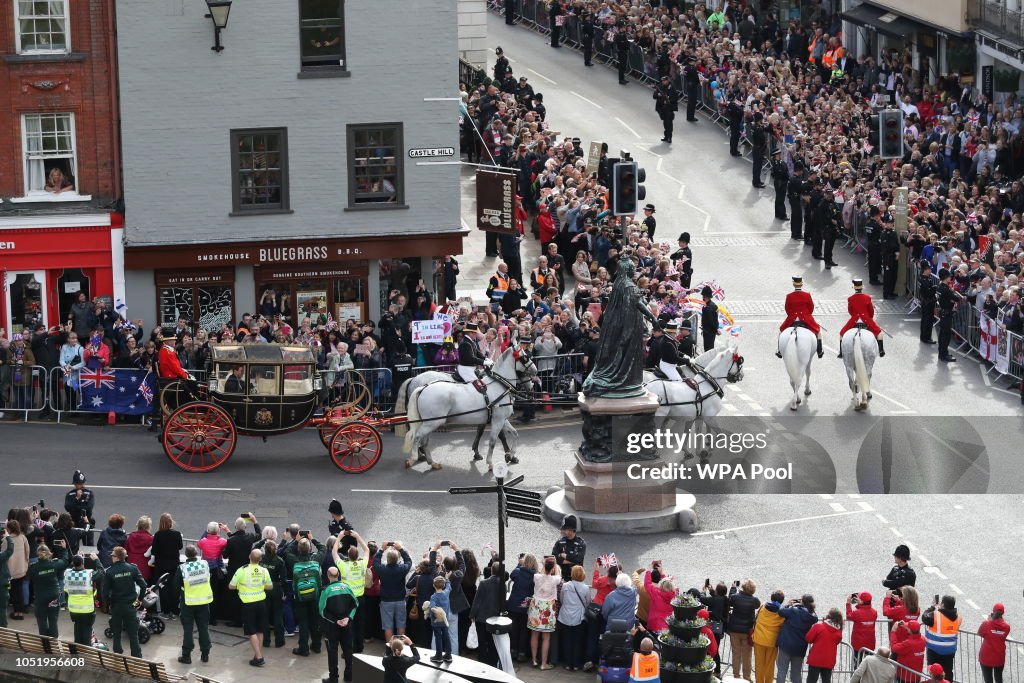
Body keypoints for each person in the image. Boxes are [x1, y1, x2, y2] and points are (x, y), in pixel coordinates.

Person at [229, 548, 273, 667]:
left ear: (249, 556)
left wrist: (240, 586)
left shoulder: (242, 570)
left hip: (248, 603)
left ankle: (258, 657)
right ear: (260, 559)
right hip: (261, 602)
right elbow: (270, 587)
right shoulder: (264, 570)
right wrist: (259, 585)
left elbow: (231, 586)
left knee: (251, 630)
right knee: (259, 630)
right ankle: (258, 654)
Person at [104, 546, 148, 658]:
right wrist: (138, 602)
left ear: (117, 557)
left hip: (117, 606)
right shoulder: (132, 568)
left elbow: (105, 593)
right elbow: (143, 586)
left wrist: (110, 605)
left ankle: (118, 655)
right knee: (133, 633)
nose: (111, 557)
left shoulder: (110, 572)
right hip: (131, 606)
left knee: (117, 632)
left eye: (112, 555)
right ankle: (137, 656)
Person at [332, 529, 370, 653]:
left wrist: (339, 538)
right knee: (360, 624)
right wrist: (358, 536)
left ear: (348, 556)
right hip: (360, 599)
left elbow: (334, 552)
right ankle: (359, 648)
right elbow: (367, 550)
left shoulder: (344, 566)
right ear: (357, 556)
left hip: (348, 600)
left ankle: (350, 649)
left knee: (348, 626)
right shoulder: (362, 564)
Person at [287, 535, 326, 657]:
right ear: (310, 549)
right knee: (315, 621)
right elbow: (323, 549)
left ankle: (303, 648)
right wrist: (313, 538)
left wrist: (297, 540)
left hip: (300, 598)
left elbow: (287, 551)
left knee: (303, 622)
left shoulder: (294, 561)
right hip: (316, 597)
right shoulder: (316, 560)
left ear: (298, 549)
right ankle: (316, 646)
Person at [176, 544, 213, 664]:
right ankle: (205, 654)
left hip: (188, 602)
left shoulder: (182, 568)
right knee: (203, 627)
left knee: (188, 629)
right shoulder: (204, 564)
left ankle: (186, 655)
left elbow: (176, 585)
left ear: (186, 555)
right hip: (204, 601)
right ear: (196, 554)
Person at [321, 565, 358, 683]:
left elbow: (321, 611)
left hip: (332, 627)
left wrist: (335, 620)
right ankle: (349, 676)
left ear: (327, 575)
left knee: (332, 652)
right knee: (348, 650)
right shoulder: (347, 588)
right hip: (347, 625)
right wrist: (348, 618)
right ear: (338, 575)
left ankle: (333, 679)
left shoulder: (326, 591)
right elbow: (355, 604)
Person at [27, 543, 69, 637]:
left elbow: (27, 577)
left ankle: (45, 643)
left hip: (40, 597)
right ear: (48, 553)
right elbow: (65, 561)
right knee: (53, 618)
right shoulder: (54, 564)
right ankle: (53, 641)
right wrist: (64, 549)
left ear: (38, 554)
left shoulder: (33, 567)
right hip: (53, 596)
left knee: (41, 619)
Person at [469, 560, 506, 668]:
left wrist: (472, 615)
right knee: (493, 641)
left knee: (482, 640)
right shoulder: (502, 583)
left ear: (491, 570)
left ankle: (482, 660)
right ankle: (492, 661)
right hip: (495, 618)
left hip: (482, 617)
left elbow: (477, 600)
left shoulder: (484, 583)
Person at [529, 556, 562, 670]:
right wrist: (555, 565)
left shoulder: (536, 577)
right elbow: (558, 575)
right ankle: (543, 664)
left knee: (534, 634)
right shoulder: (555, 580)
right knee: (546, 637)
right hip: (548, 608)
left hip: (536, 607)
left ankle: (533, 660)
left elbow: (542, 573)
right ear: (552, 568)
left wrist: (544, 565)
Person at [777, 276, 823, 358]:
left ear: (793, 284)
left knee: (781, 332)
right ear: (801, 284)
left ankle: (779, 351)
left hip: (792, 319)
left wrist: (793, 315)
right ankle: (819, 351)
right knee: (818, 331)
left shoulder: (789, 296)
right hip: (806, 319)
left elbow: (787, 309)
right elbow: (811, 308)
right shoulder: (807, 295)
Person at [837, 280, 884, 358]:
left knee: (841, 334)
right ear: (862, 287)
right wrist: (870, 319)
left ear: (854, 288)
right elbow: (871, 312)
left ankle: (841, 353)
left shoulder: (850, 298)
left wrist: (855, 316)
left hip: (854, 320)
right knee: (879, 333)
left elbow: (850, 311)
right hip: (866, 320)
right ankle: (881, 351)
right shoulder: (867, 297)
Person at [777, 594, 817, 683]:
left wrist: (788, 605)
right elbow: (815, 617)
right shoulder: (812, 616)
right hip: (800, 648)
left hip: (786, 645)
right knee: (796, 673)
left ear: (802, 602)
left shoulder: (793, 611)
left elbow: (781, 611)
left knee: (782, 670)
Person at [63, 552, 102, 646]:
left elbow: (70, 567)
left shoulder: (67, 573)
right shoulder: (89, 574)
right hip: (87, 609)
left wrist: (76, 557)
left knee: (77, 628)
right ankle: (86, 651)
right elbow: (101, 572)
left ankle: (77, 650)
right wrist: (96, 559)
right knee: (87, 630)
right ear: (83, 563)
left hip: (73, 609)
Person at [729, 579, 761, 682]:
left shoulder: (735, 597)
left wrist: (733, 588)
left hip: (734, 630)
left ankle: (736, 675)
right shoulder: (754, 601)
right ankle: (747, 677)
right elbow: (757, 605)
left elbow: (730, 600)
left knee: (736, 653)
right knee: (747, 655)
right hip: (747, 631)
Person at [922, 595, 962, 677]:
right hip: (950, 650)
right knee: (947, 672)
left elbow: (924, 617)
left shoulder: (936, 615)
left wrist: (932, 607)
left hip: (934, 650)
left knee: (933, 673)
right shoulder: (958, 617)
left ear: (943, 604)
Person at [753, 590, 786, 683]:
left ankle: (759, 681)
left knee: (759, 664)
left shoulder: (762, 607)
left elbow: (756, 618)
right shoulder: (782, 613)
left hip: (759, 639)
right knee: (770, 665)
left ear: (771, 598)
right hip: (772, 641)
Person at [805, 607, 843, 683]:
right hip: (829, 660)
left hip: (815, 659)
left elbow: (808, 639)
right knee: (826, 681)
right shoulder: (839, 632)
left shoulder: (818, 627)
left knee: (811, 680)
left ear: (828, 617)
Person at [261, 540, 287, 650]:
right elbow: (284, 580)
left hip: (264, 588)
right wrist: (284, 592)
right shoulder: (280, 561)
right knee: (278, 615)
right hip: (276, 588)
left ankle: (266, 641)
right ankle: (279, 641)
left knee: (265, 615)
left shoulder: (261, 559)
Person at [978, 603, 1010, 683]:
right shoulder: (1007, 627)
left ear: (993, 611)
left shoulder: (987, 624)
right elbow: (1003, 634)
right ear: (1003, 613)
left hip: (986, 657)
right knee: (999, 678)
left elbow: (980, 633)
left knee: (988, 680)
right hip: (999, 657)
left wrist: (989, 620)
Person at [425, 574, 453, 664]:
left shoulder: (433, 597)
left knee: (438, 637)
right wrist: (447, 578)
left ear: (433, 585)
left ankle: (439, 656)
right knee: (446, 636)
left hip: (436, 622)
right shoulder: (446, 592)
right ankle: (448, 655)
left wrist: (429, 612)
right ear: (443, 585)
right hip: (445, 620)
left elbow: (432, 608)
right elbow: (449, 586)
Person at [936, 269, 962, 362]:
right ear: (946, 277)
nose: (950, 277)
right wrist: (953, 298)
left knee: (942, 334)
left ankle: (942, 353)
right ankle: (943, 354)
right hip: (946, 313)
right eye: (949, 276)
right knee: (945, 335)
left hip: (943, 312)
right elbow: (956, 298)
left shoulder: (940, 287)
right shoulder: (945, 289)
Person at [848, 592, 879, 666]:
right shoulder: (874, 612)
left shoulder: (857, 613)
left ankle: (856, 677)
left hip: (857, 644)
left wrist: (848, 603)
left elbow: (848, 615)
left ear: (861, 601)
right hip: (870, 643)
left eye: (858, 598)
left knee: (857, 665)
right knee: (869, 665)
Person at [552, 514, 586, 582]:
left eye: (565, 529)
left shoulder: (581, 543)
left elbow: (578, 559)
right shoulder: (559, 542)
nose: (562, 531)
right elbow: (554, 558)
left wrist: (564, 556)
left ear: (571, 530)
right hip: (561, 578)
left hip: (575, 579)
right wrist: (571, 560)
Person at [654, 76, 680, 143]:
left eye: (665, 81)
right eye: (662, 81)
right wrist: (658, 95)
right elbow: (654, 96)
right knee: (665, 122)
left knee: (669, 122)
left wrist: (669, 100)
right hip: (661, 107)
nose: (663, 82)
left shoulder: (672, 88)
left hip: (669, 107)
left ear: (668, 81)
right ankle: (666, 136)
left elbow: (675, 97)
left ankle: (669, 137)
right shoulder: (659, 86)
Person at [918, 261, 937, 344]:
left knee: (925, 319)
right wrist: (934, 288)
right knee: (928, 320)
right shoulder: (924, 280)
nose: (930, 271)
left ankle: (924, 336)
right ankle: (926, 337)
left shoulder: (923, 277)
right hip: (927, 302)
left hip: (925, 302)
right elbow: (929, 293)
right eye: (929, 269)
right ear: (925, 270)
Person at [788, 164, 806, 239]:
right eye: (801, 171)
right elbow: (802, 189)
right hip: (795, 200)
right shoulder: (797, 180)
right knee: (797, 217)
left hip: (792, 199)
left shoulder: (792, 178)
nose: (802, 172)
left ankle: (794, 233)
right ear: (799, 171)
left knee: (794, 216)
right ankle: (797, 234)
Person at [771, 149, 789, 219]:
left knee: (779, 198)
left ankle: (778, 213)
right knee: (780, 199)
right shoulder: (776, 164)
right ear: (776, 156)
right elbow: (779, 173)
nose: (780, 155)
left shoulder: (782, 162)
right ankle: (782, 215)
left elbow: (785, 171)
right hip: (780, 182)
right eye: (778, 155)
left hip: (782, 182)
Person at [700, 286, 720, 352]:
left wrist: (716, 330)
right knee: (709, 349)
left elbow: (711, 321)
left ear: (705, 296)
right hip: (709, 331)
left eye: (703, 296)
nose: (703, 297)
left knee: (708, 350)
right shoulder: (711, 305)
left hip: (709, 332)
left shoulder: (708, 307)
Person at [751, 113, 768, 188]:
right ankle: (756, 182)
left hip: (755, 147)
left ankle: (756, 180)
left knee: (756, 166)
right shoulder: (758, 129)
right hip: (758, 149)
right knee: (757, 167)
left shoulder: (754, 126)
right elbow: (761, 139)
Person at [683, 56, 700, 121]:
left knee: (690, 102)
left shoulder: (686, 67)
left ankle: (689, 116)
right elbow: (696, 77)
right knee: (692, 102)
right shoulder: (692, 68)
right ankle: (691, 117)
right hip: (693, 86)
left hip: (689, 85)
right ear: (692, 61)